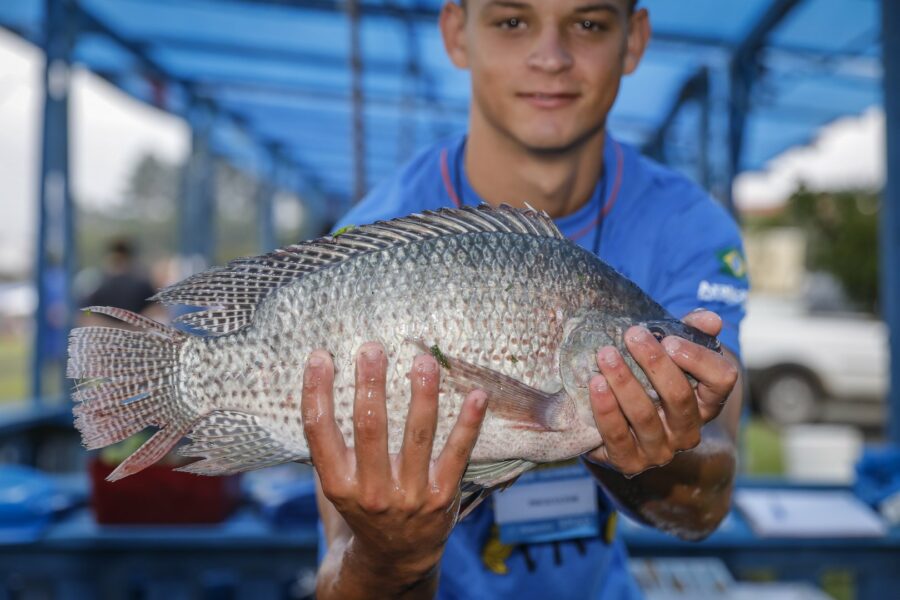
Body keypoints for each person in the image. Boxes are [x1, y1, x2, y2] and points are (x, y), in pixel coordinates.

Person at [303, 1, 748, 598]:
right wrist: (389, 558)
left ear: (634, 39)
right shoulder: (367, 246)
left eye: (588, 24)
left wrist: (621, 434)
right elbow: (338, 569)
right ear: (457, 34)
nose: (551, 58)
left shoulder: (690, 228)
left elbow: (708, 503)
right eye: (512, 21)